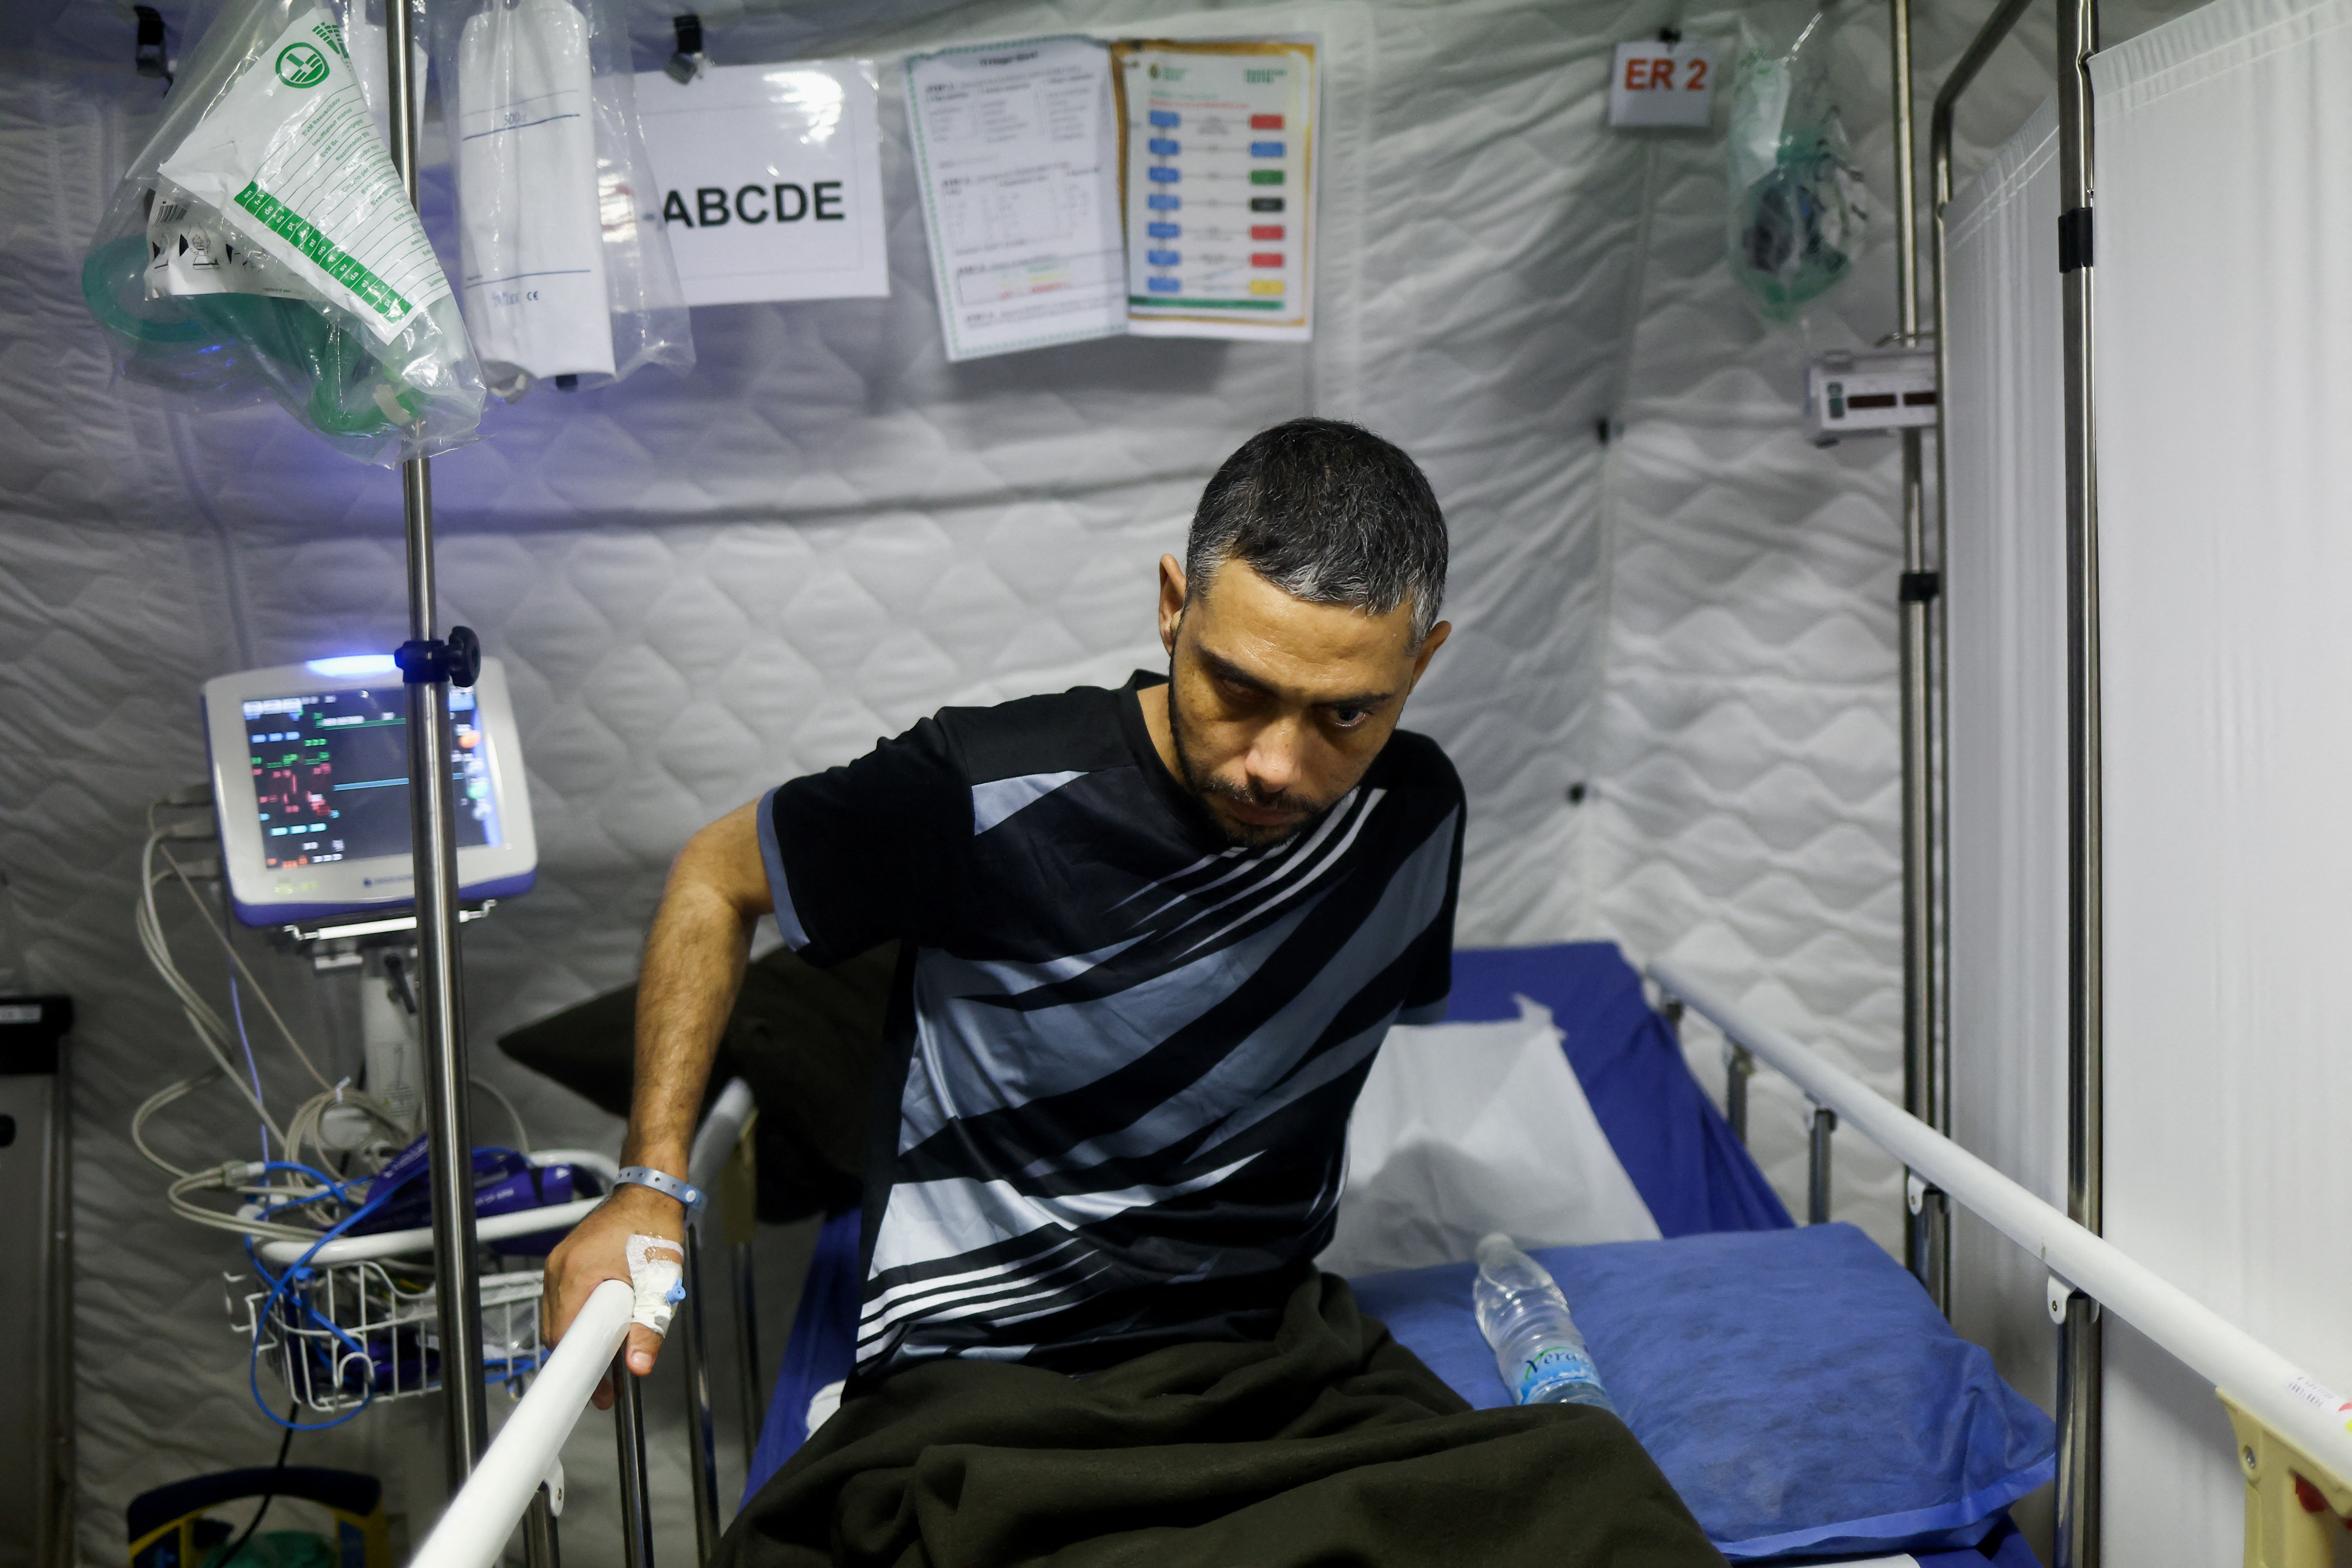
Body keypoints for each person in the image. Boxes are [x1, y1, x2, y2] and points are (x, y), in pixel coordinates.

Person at [544, 418, 1717, 1566]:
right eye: (1237, 688)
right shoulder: (982, 791)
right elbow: (715, 872)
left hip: (1272, 1354)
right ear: (1172, 606)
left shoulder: (1414, 817)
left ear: (1424, 660)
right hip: (988, 1375)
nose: (1275, 762)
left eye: (1344, 713)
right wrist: (650, 1182)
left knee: (1593, 1490)